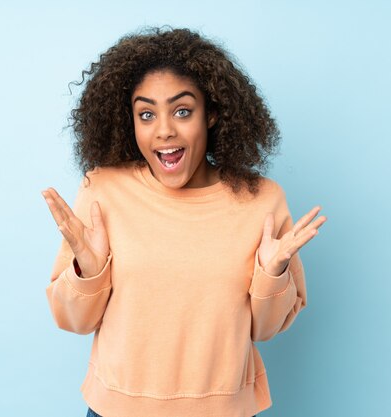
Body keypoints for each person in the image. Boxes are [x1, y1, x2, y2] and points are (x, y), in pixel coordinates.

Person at [42, 26, 326, 417]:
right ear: (131, 122)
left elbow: (265, 330)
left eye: (182, 111)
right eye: (146, 114)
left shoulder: (262, 200)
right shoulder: (102, 191)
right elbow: (71, 319)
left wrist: (273, 274)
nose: (164, 130)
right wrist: (88, 273)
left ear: (210, 114)